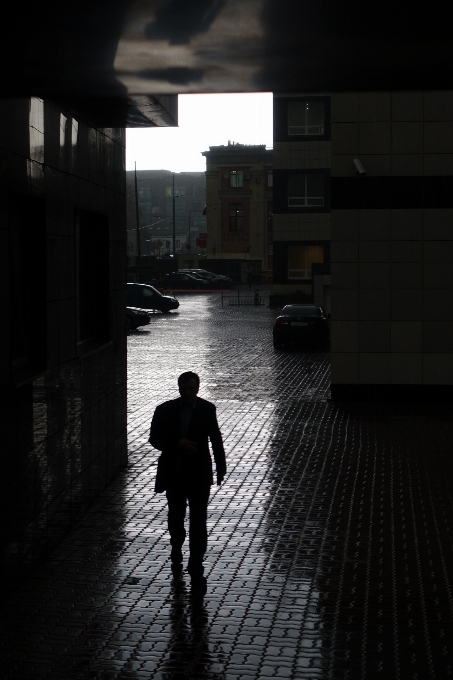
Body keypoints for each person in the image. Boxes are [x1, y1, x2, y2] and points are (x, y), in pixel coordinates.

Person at [149, 371, 226, 594]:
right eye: (185, 389)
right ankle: (176, 546)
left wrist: (220, 468)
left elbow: (216, 438)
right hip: (174, 473)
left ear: (197, 389)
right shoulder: (164, 410)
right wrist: (177, 443)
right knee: (176, 515)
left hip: (199, 474)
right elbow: (154, 438)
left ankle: (195, 560)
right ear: (180, 388)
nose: (188, 393)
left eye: (192, 389)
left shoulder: (207, 409)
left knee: (198, 518)